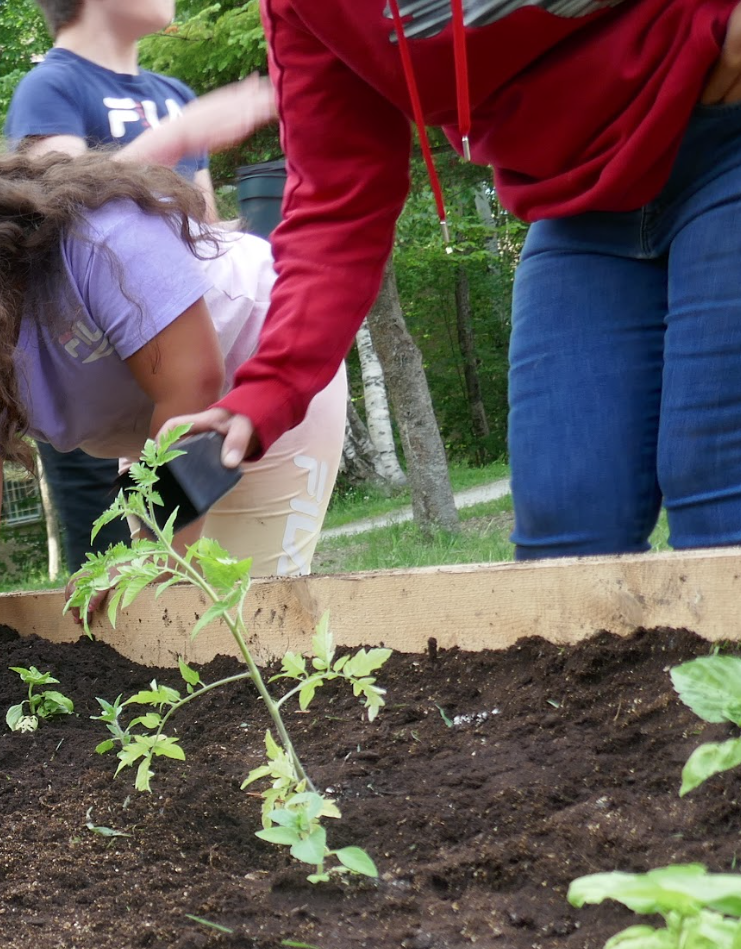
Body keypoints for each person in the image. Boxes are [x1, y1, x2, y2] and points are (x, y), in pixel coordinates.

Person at [170, 0, 741, 560]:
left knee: (720, 489)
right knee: (566, 523)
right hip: (575, 200)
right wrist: (266, 389)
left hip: (725, 135)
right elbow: (336, 204)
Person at [0, 143, 347, 719]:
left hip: (265, 380)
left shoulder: (102, 240)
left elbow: (190, 385)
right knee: (162, 623)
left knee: (244, 627)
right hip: (161, 432)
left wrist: (153, 555)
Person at [6, 0, 279, 574]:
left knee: (243, 574)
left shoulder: (173, 92)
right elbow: (60, 217)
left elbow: (203, 229)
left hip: (219, 357)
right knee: (159, 578)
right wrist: (178, 136)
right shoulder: (49, 87)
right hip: (136, 380)